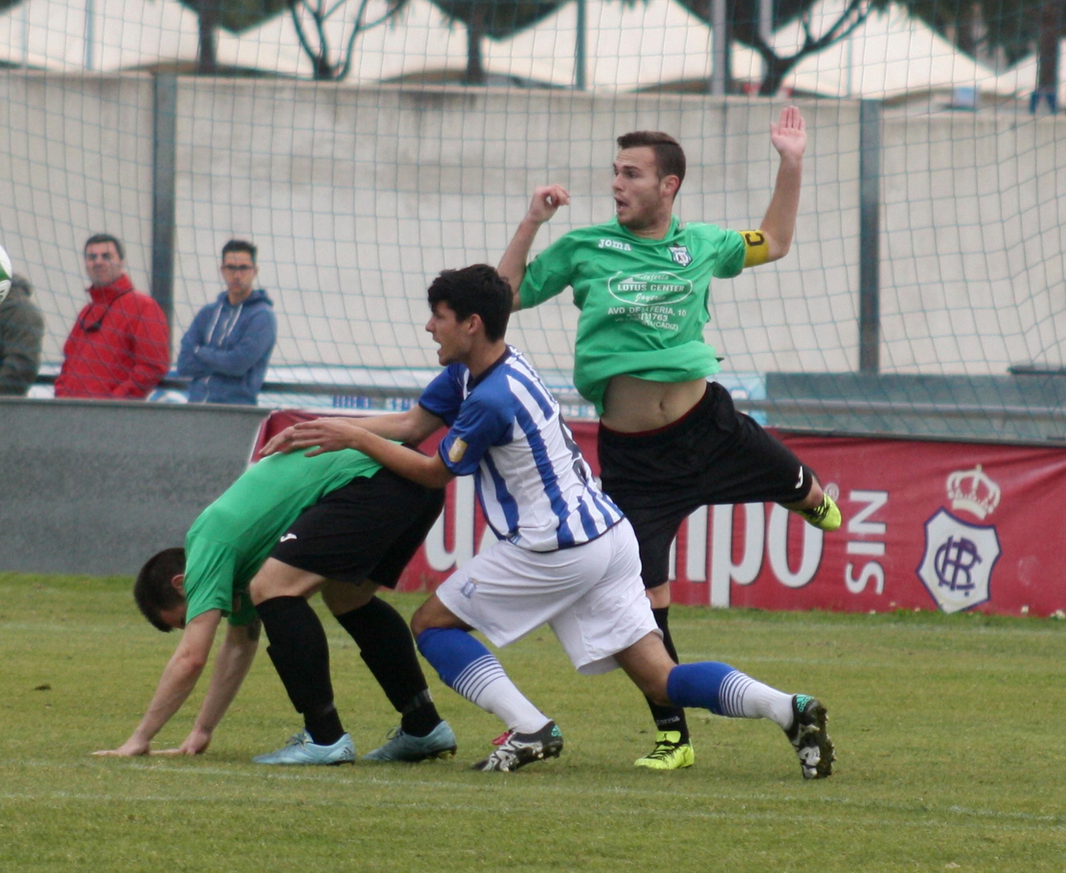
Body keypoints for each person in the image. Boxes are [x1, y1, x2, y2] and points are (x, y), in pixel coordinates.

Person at [263, 266, 833, 779]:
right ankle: (788, 708)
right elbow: (413, 425)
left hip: (552, 547)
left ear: (472, 324)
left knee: (433, 624)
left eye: (438, 317)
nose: (429, 328)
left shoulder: (490, 398)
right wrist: (325, 425)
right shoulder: (483, 370)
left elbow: (434, 471)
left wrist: (353, 437)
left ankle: (530, 727)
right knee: (659, 678)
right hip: (609, 537)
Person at [495, 107, 841, 772]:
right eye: (615, 173)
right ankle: (673, 736)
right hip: (635, 462)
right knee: (642, 605)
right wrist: (533, 220)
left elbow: (774, 240)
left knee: (806, 491)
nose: (617, 184)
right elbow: (502, 297)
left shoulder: (703, 243)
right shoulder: (584, 247)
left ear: (668, 186)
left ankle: (806, 496)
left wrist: (790, 163)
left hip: (711, 428)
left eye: (631, 174)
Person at [93, 447, 456, 766]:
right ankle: (423, 724)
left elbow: (192, 657)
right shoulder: (241, 560)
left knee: (277, 589)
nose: (204, 621)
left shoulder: (206, 544)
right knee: (349, 598)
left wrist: (139, 739)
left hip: (374, 478)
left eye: (189, 617)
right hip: (414, 480)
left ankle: (324, 738)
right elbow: (239, 644)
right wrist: (201, 731)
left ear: (180, 582)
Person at [55, 234, 169, 400]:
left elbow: (153, 366)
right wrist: (62, 397)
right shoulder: (86, 312)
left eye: (106, 256)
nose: (98, 262)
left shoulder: (143, 307)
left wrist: (112, 403)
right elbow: (68, 364)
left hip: (114, 418)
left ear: (122, 262)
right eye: (92, 257)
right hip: (72, 415)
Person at [176, 240, 276, 405]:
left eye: (243, 268)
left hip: (235, 411)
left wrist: (200, 352)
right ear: (222, 270)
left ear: (254, 271)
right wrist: (223, 361)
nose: (237, 275)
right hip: (195, 407)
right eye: (231, 267)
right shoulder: (207, 313)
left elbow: (237, 364)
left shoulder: (262, 316)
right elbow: (183, 364)